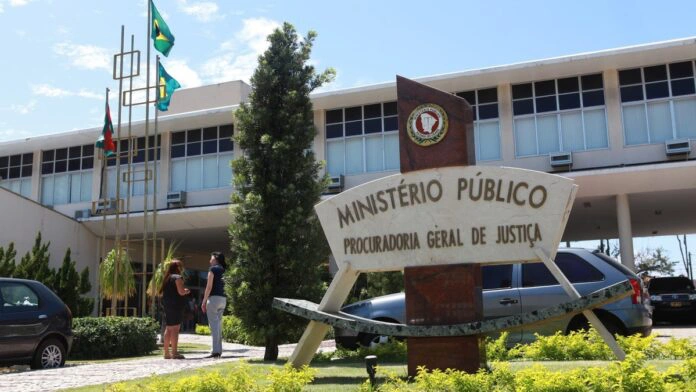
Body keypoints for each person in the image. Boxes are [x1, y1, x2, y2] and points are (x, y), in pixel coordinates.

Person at [159, 259, 190, 359]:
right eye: (181, 267)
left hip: (167, 306)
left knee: (168, 328)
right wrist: (186, 291)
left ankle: (166, 353)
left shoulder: (167, 278)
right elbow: (181, 292)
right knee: (175, 329)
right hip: (176, 306)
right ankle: (175, 353)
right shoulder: (177, 277)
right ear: (178, 268)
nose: (182, 269)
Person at [201, 252, 227, 358]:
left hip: (214, 299)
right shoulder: (225, 270)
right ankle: (218, 350)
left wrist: (203, 301)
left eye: (211, 258)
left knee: (213, 326)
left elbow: (209, 287)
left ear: (215, 258)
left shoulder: (213, 269)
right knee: (218, 326)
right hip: (223, 299)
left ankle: (215, 351)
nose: (209, 260)